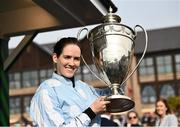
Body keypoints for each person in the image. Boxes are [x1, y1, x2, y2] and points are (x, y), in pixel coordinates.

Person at [30, 37, 111, 127]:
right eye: (67, 57)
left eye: (76, 59)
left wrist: (112, 68)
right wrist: (91, 112)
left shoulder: (84, 87)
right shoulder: (46, 91)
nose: (72, 63)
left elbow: (114, 96)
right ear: (55, 58)